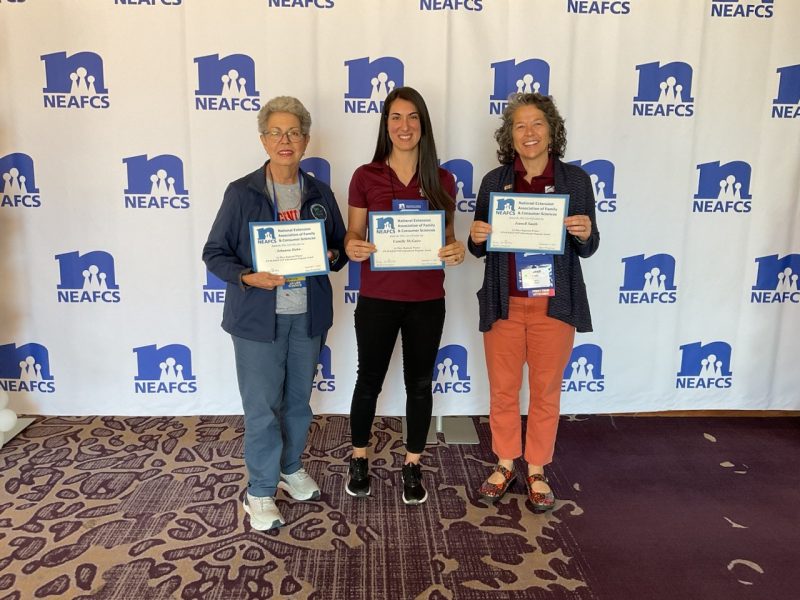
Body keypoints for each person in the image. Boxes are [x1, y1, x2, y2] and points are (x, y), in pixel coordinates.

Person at [202, 96, 347, 530]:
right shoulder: (241, 192)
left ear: (306, 139)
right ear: (264, 139)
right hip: (257, 321)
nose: (286, 141)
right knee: (263, 408)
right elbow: (214, 253)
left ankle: (289, 467)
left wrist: (332, 252)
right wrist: (248, 277)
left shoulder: (320, 192)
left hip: (307, 316)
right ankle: (261, 490)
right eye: (276, 133)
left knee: (298, 403)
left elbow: (338, 252)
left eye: (294, 133)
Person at [468, 93, 599, 512]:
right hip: (505, 302)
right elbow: (480, 249)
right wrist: (476, 238)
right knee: (503, 390)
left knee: (545, 392)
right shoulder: (494, 181)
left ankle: (537, 467)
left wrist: (583, 232)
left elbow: (589, 247)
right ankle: (505, 462)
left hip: (553, 305)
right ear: (510, 134)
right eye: (520, 126)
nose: (529, 133)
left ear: (551, 131)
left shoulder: (576, 181)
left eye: (537, 124)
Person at [344, 87, 465, 505]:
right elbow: (353, 235)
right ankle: (359, 457)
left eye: (412, 117)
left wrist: (456, 248)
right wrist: (351, 246)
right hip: (377, 297)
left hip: (426, 300)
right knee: (368, 381)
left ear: (423, 124)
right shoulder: (365, 176)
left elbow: (449, 238)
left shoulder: (443, 179)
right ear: (386, 125)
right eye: (396, 117)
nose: (404, 126)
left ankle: (412, 462)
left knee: (419, 383)